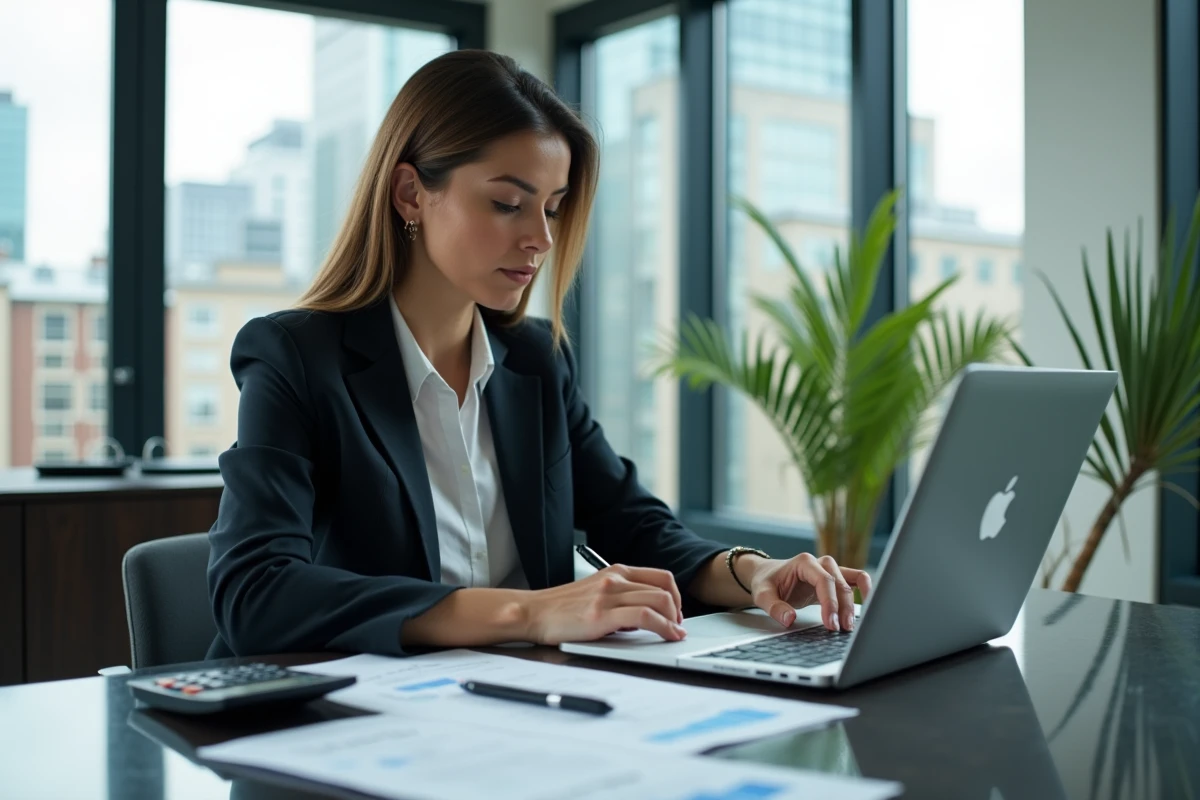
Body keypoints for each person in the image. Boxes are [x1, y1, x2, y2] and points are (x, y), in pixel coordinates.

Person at [205, 49, 870, 659]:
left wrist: (753, 573)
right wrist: (531, 612)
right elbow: (256, 593)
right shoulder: (295, 357)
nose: (540, 239)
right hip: (348, 736)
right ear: (411, 193)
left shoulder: (532, 360)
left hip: (524, 711)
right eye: (506, 204)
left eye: (551, 209)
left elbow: (633, 523)